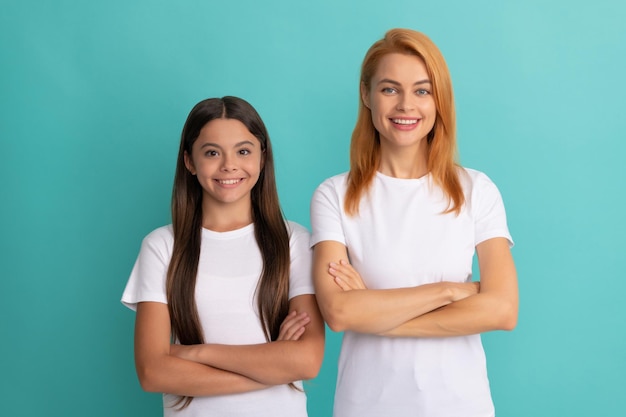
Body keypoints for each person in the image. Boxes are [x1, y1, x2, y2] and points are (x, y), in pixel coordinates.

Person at [310, 28, 518, 417]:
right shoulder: (334, 195)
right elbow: (339, 313)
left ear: (439, 100)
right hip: (366, 405)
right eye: (390, 89)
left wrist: (375, 312)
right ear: (365, 95)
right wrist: (450, 291)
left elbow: (502, 310)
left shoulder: (475, 189)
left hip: (460, 404)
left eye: (422, 91)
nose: (406, 105)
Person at [122, 96, 324, 417]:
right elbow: (153, 372)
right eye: (212, 153)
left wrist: (195, 354)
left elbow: (307, 361)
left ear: (262, 157)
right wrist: (273, 366)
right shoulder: (161, 247)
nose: (229, 165)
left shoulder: (293, 242)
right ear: (190, 161)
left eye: (243, 151)